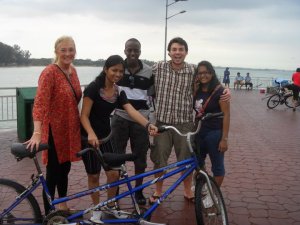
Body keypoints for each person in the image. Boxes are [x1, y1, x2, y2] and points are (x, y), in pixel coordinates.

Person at [149, 37, 231, 204]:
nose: (177, 52)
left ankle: (187, 190)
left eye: (181, 49)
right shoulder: (158, 67)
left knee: (185, 159)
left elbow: (209, 78)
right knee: (159, 159)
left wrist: (226, 90)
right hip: (162, 123)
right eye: (174, 49)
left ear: (186, 52)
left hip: (185, 123)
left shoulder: (193, 70)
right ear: (169, 52)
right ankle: (158, 191)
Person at [80, 55, 157, 223]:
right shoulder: (93, 88)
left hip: (106, 137)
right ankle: (96, 210)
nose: (118, 73)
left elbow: (131, 110)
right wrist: (91, 133)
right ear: (106, 69)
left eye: (121, 71)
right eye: (114, 70)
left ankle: (110, 204)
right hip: (89, 138)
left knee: (114, 174)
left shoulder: (117, 91)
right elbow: (84, 115)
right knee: (93, 176)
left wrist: (148, 125)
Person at [25, 36, 82, 214]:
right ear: (56, 51)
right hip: (54, 130)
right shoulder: (50, 72)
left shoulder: (73, 71)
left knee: (65, 168)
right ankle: (49, 213)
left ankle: (63, 205)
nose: (67, 53)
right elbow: (40, 103)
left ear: (75, 51)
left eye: (71, 49)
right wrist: (36, 132)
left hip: (69, 128)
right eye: (63, 50)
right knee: (53, 172)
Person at [111, 38, 153, 205]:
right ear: (125, 50)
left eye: (136, 50)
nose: (133, 53)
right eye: (129, 50)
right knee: (116, 157)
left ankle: (138, 192)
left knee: (140, 158)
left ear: (140, 51)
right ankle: (116, 191)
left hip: (141, 120)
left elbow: (151, 95)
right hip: (120, 118)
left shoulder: (149, 72)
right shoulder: (117, 70)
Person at [193, 60, 230, 187]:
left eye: (206, 72)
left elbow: (226, 116)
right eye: (200, 73)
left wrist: (224, 139)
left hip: (214, 133)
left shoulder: (220, 92)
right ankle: (202, 187)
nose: (203, 75)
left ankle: (214, 193)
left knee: (217, 166)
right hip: (199, 132)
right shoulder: (197, 90)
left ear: (212, 73)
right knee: (198, 163)